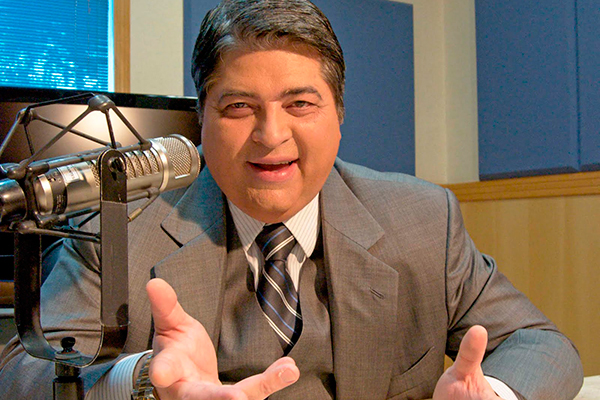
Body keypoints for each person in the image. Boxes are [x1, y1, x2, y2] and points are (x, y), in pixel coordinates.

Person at [0, 0, 584, 399]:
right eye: (239, 107)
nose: (270, 135)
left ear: (339, 116)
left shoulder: (423, 220)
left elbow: (540, 344)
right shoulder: (119, 225)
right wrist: (142, 378)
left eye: (300, 104)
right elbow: (21, 373)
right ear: (201, 119)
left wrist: (494, 394)